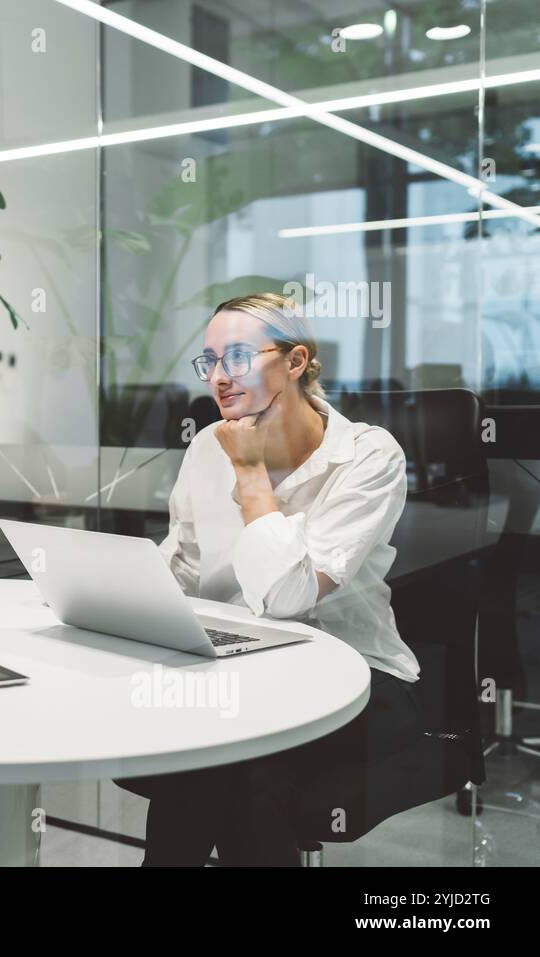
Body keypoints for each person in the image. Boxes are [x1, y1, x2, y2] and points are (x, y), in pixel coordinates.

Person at [116, 292, 423, 866]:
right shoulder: (208, 444)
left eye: (236, 357)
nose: (219, 378)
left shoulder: (368, 456)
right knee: (218, 750)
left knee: (233, 764)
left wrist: (251, 474)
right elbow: (183, 567)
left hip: (353, 675)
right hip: (238, 667)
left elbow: (290, 602)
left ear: (296, 361)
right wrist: (123, 599)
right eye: (208, 362)